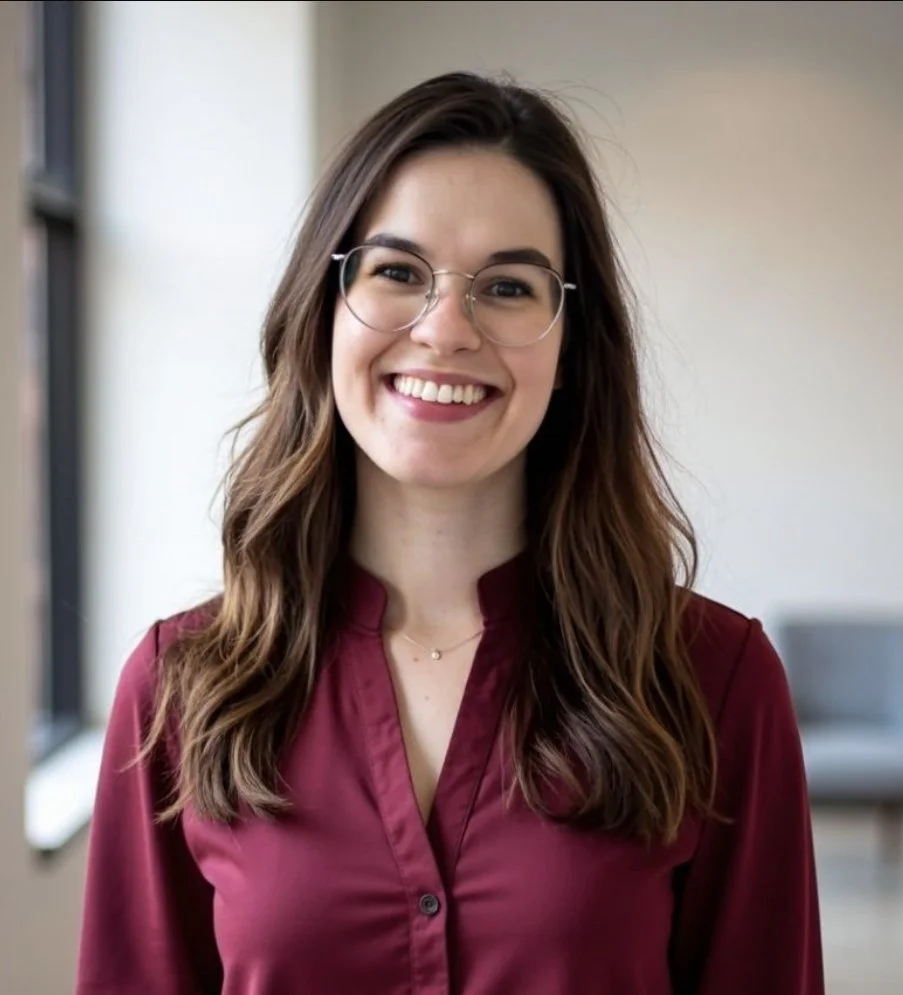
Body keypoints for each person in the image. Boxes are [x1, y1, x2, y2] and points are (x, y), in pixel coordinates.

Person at [75, 72, 824, 995]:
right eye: (396, 271)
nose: (445, 329)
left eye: (507, 286)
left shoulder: (715, 681)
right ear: (324, 310)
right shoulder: (179, 689)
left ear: (570, 348)